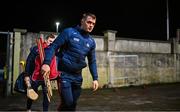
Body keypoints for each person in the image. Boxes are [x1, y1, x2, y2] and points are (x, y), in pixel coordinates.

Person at [41, 12, 99, 111]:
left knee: (72, 105)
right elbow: (53, 47)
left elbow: (92, 61)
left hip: (78, 77)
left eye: (93, 24)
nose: (91, 25)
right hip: (64, 75)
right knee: (68, 102)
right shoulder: (69, 32)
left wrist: (95, 78)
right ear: (82, 21)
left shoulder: (91, 42)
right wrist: (46, 63)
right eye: (89, 22)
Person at [24, 34, 59, 111]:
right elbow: (29, 61)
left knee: (47, 95)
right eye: (50, 41)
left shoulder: (54, 50)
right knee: (32, 94)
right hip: (36, 77)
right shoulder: (37, 49)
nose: (51, 43)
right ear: (46, 40)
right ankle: (28, 109)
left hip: (47, 77)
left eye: (53, 42)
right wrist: (26, 75)